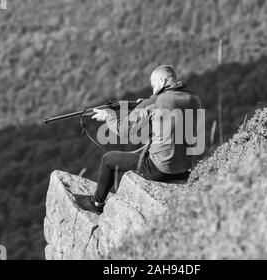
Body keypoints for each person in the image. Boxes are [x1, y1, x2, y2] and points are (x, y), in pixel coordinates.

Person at [73, 65, 202, 214]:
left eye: (153, 86)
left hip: (161, 170)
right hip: (185, 169)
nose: (153, 90)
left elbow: (124, 130)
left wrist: (109, 116)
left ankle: (96, 203)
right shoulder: (194, 99)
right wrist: (146, 104)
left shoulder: (152, 103)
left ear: (161, 81)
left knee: (108, 160)